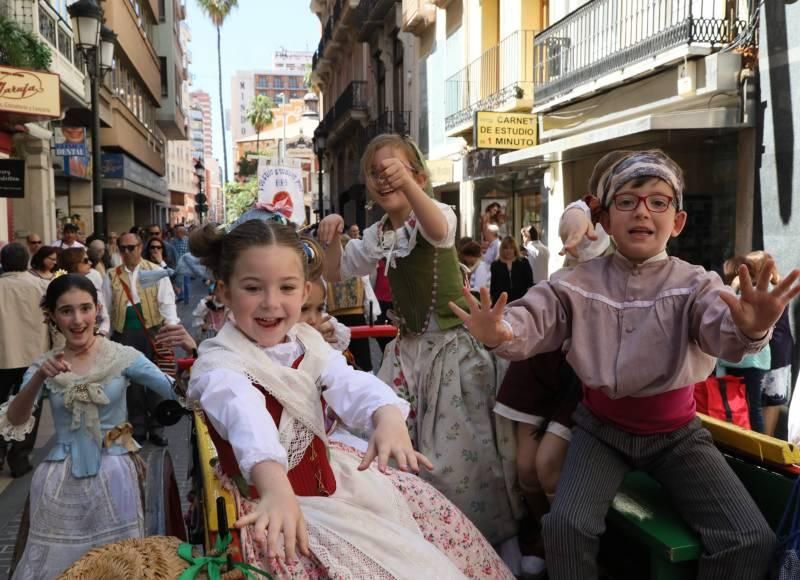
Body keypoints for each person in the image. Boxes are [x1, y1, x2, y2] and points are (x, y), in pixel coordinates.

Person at [450, 149, 799, 579]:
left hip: (677, 435)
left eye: (658, 201)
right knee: (565, 526)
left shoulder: (696, 283)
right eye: (627, 201)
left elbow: (722, 330)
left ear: (678, 220)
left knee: (749, 537)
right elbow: (535, 316)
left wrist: (752, 328)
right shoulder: (576, 283)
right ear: (606, 219)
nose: (643, 213)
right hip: (601, 431)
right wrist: (502, 332)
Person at [186, 218, 512, 578]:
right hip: (274, 500)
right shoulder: (221, 366)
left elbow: (348, 381)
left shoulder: (306, 343)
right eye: (253, 288)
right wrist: (276, 490)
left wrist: (385, 414)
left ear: (305, 289)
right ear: (224, 291)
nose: (271, 303)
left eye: (287, 287)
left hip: (332, 484)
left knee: (428, 525)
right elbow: (246, 418)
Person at [318, 133, 518, 546]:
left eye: (396, 169)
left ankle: (490, 544)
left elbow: (439, 228)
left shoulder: (435, 214)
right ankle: (416, 535)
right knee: (386, 444)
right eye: (376, 172)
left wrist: (410, 186)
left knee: (463, 456)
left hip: (453, 351)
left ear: (421, 177)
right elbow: (338, 272)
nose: (385, 177)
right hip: (407, 353)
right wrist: (332, 239)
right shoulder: (378, 234)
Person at [0, 274, 178, 579]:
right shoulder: (44, 365)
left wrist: (195, 352)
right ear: (52, 316)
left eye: (85, 308)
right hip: (59, 481)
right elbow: (15, 420)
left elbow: (175, 391)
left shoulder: (122, 357)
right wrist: (40, 378)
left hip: (116, 476)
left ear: (97, 310)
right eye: (66, 311)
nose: (78, 319)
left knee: (121, 564)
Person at [103, 232, 179, 446]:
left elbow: (167, 302)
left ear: (140, 247)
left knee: (156, 377)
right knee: (132, 383)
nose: (127, 252)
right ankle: (138, 426)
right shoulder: (111, 274)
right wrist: (105, 337)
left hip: (153, 329)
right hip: (124, 331)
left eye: (132, 247)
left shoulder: (155, 271)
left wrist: (170, 328)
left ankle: (157, 427)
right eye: (123, 248)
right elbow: (106, 309)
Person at [0, 243, 50, 478]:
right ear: (26, 262)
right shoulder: (41, 286)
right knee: (30, 407)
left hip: (2, 356)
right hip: (34, 357)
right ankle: (19, 457)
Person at [58, 247, 111, 336]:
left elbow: (104, 318)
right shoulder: (58, 289)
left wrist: (99, 335)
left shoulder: (92, 287)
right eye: (85, 260)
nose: (90, 263)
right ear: (73, 263)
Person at [490, 236, 534, 305]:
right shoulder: (495, 265)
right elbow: (493, 286)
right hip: (501, 302)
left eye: (511, 248)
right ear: (502, 249)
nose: (508, 250)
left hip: (521, 300)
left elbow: (530, 282)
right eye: (506, 248)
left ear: (515, 249)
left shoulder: (523, 262)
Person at [171, 225, 191, 302]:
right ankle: (180, 295)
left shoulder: (188, 240)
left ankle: (186, 298)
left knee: (186, 282)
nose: (178, 234)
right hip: (176, 264)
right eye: (177, 232)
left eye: (180, 232)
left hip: (186, 265)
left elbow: (190, 252)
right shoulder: (173, 241)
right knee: (177, 281)